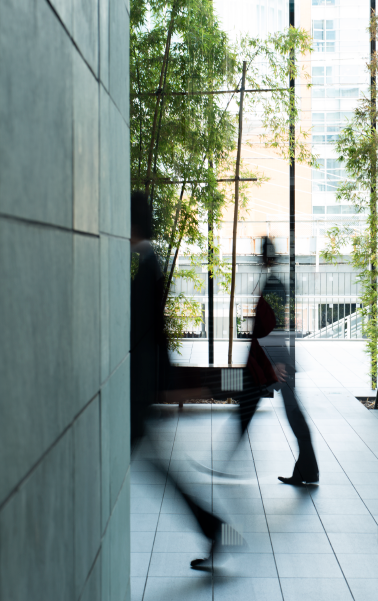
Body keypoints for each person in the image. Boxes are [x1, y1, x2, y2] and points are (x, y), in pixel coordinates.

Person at [129, 192, 234, 570]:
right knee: (160, 469)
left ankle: (213, 527)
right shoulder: (149, 263)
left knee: (159, 469)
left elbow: (151, 332)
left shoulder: (147, 266)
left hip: (138, 389)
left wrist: (163, 386)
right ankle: (213, 527)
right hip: (141, 386)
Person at [254, 238, 319, 485]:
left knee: (293, 413)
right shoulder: (275, 281)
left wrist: (278, 362)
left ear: (265, 257)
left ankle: (308, 470)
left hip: (279, 360)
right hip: (278, 358)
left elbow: (277, 325)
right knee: (293, 412)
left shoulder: (273, 284)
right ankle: (308, 470)